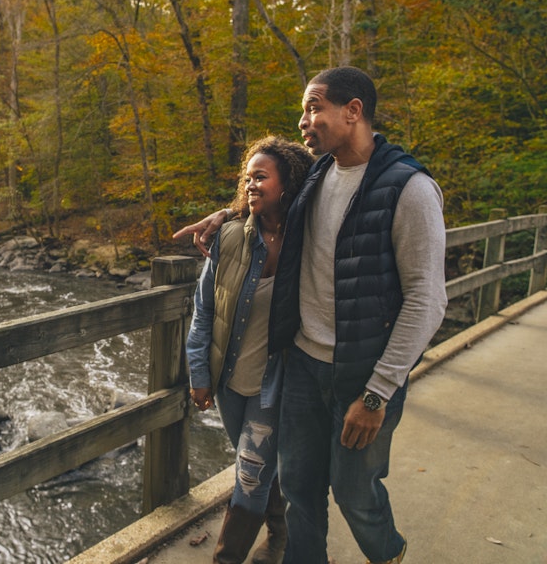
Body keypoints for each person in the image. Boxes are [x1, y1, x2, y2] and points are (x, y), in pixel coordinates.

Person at [175, 66, 448, 564]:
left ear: (353, 111)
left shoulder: (409, 189)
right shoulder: (317, 177)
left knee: (353, 493)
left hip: (362, 376)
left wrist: (377, 392)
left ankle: (388, 553)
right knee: (300, 491)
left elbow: (428, 302)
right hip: (301, 364)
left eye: (314, 107)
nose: (304, 120)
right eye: (304, 109)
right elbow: (265, 191)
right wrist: (227, 215)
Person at [187, 135, 313, 564]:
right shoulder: (229, 238)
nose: (251, 185)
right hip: (228, 382)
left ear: (288, 183)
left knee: (250, 474)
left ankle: (226, 559)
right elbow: (204, 311)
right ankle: (279, 535)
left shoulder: (309, 241)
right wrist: (199, 374)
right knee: (256, 467)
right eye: (247, 178)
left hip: (275, 386)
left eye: (261, 177)